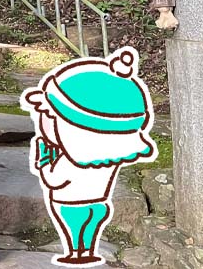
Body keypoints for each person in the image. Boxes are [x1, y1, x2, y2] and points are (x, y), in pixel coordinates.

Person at [21, 47, 157, 266]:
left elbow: (53, 179)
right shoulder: (107, 160)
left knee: (75, 228)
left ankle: (77, 252)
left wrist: (43, 157)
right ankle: (87, 250)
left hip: (71, 203)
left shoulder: (69, 159)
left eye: (48, 115)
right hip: (99, 203)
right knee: (90, 224)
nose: (44, 119)